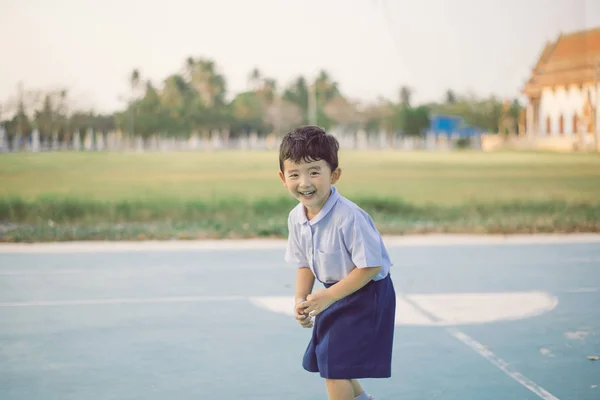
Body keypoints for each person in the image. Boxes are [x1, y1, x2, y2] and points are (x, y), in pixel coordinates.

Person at [278, 125, 396, 400]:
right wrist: (301, 300)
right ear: (283, 178)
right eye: (294, 174)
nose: (304, 182)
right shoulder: (296, 218)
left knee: (335, 367)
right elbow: (304, 263)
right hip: (335, 293)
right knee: (334, 362)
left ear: (335, 174)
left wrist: (327, 297)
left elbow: (371, 266)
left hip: (366, 295)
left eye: (315, 172)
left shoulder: (349, 217)